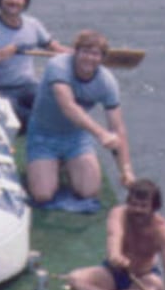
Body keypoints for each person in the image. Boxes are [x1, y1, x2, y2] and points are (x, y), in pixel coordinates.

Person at [24, 30, 134, 205]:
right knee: (43, 195)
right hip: (43, 133)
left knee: (88, 192)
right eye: (85, 52)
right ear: (75, 52)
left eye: (95, 54)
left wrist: (126, 170)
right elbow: (68, 106)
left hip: (75, 136)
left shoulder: (107, 82)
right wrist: (101, 134)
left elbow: (117, 128)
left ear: (102, 58)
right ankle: (51, 164)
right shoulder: (57, 65)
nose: (89, 58)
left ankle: (67, 164)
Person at [65, 179, 165, 290]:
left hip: (141, 279)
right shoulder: (119, 213)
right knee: (74, 278)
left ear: (154, 208)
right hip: (113, 273)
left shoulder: (163, 231)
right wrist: (115, 255)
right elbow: (114, 235)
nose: (137, 210)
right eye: (133, 204)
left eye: (143, 206)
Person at [0, 0, 68, 132]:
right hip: (1, 89)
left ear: (25, 1)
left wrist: (80, 53)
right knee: (17, 116)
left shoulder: (32, 24)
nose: (13, 1)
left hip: (28, 86)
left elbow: (55, 49)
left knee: (56, 105)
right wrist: (5, 52)